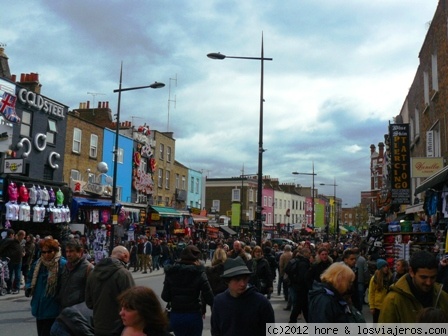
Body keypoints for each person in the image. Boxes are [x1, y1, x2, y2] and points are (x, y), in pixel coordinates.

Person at [211, 256, 275, 336]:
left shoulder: (261, 302)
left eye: (245, 279)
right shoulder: (219, 301)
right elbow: (216, 331)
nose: (242, 284)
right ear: (227, 281)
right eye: (237, 279)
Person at [379, 250, 448, 323]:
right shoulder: (393, 300)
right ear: (411, 272)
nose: (429, 282)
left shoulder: (443, 297)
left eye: (433, 277)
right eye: (423, 277)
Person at [161, 245, 214, 336]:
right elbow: (210, 298)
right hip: (193, 314)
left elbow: (165, 296)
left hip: (176, 315)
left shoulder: (171, 272)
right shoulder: (199, 273)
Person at [85, 245, 135, 336]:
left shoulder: (93, 273)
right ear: (125, 256)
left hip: (98, 325)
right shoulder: (123, 274)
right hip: (118, 326)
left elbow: (89, 302)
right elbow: (132, 302)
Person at [25, 237, 67, 336]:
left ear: (55, 251)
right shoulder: (38, 264)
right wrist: (28, 287)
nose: (46, 254)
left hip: (53, 308)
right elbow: (30, 277)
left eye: (49, 252)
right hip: (39, 307)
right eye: (44, 252)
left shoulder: (62, 264)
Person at [58, 239, 94, 309]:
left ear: (80, 252)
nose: (68, 254)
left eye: (71, 251)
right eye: (67, 251)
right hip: (63, 309)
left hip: (78, 312)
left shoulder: (88, 269)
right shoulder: (66, 266)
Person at [287, 247, 311, 323]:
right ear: (305, 254)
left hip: (298, 287)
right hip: (302, 288)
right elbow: (303, 277)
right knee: (300, 307)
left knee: (301, 307)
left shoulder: (299, 261)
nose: (310, 254)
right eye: (309, 253)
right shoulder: (303, 263)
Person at [0, 229, 25, 294]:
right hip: (12, 260)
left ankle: (11, 288)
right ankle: (12, 288)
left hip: (16, 260)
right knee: (12, 274)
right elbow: (2, 248)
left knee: (13, 274)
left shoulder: (17, 242)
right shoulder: (11, 241)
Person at [368, 258, 392, 323]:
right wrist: (372, 307)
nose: (386, 268)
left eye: (387, 266)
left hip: (387, 305)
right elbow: (371, 293)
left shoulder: (390, 277)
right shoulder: (374, 279)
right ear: (380, 268)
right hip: (377, 306)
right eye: (384, 266)